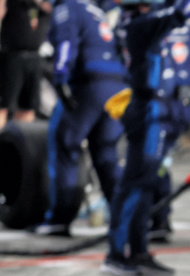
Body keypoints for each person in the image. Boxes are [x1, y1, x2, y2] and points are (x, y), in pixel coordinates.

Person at [101, 0, 190, 276]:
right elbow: (184, 11)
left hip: (158, 108)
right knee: (134, 183)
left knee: (147, 183)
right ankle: (115, 252)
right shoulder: (138, 25)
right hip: (148, 110)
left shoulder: (140, 23)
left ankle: (138, 250)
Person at [36, 0, 127, 236]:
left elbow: (67, 42)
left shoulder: (68, 8)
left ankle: (60, 218)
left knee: (65, 145)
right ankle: (123, 218)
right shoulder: (97, 11)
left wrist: (61, 78)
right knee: (106, 155)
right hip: (116, 87)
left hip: (89, 84)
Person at [0, 0, 52, 129]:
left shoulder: (45, 8)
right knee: (3, 105)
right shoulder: (16, 4)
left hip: (35, 57)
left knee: (28, 106)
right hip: (13, 56)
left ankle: (19, 142)